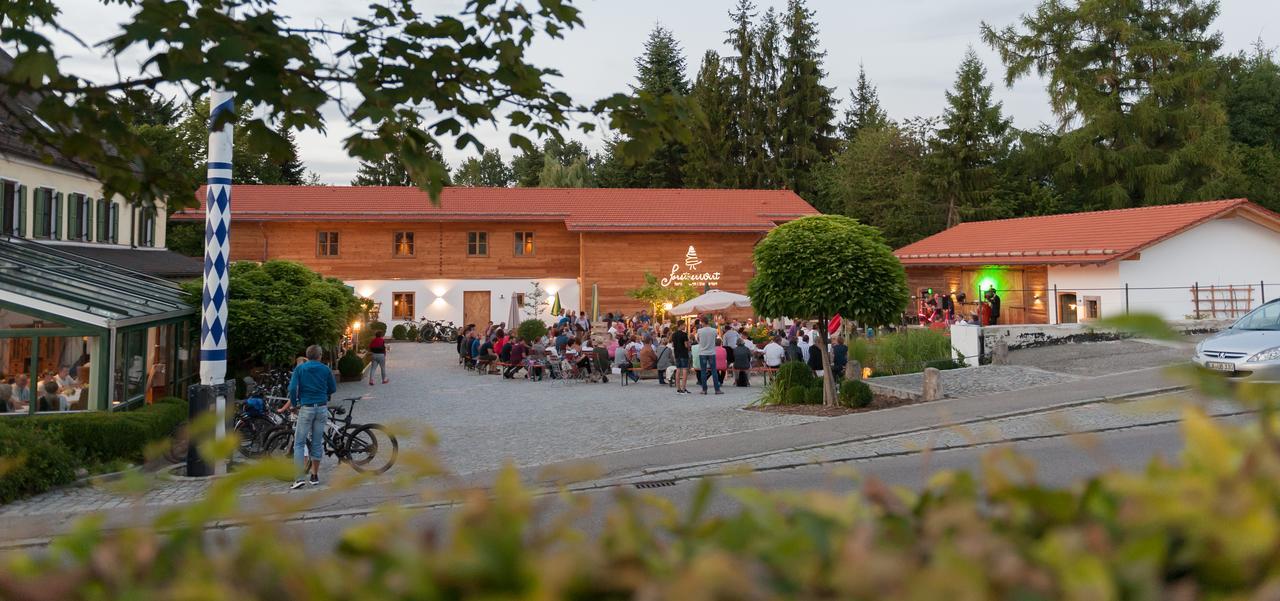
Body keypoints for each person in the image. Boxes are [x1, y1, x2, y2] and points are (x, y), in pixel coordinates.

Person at [285, 345, 337, 490]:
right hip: (321, 408)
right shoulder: (325, 369)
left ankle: (299, 478)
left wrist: (294, 405)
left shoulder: (300, 369)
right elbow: (333, 388)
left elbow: (292, 388)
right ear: (320, 356)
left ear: (307, 355)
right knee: (317, 442)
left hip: (306, 407)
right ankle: (314, 476)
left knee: (299, 443)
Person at [696, 318, 721, 395]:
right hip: (711, 352)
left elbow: (697, 340)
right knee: (714, 371)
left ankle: (704, 390)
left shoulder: (699, 331)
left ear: (703, 322)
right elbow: (717, 338)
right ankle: (717, 390)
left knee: (703, 371)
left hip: (702, 352)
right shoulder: (714, 330)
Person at [671, 322, 691, 394]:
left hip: (677, 354)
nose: (685, 326)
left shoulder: (674, 334)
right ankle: (683, 388)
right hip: (683, 353)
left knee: (678, 370)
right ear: (681, 325)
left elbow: (673, 345)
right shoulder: (684, 334)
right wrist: (689, 345)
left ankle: (678, 388)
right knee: (685, 370)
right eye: (684, 325)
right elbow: (686, 345)